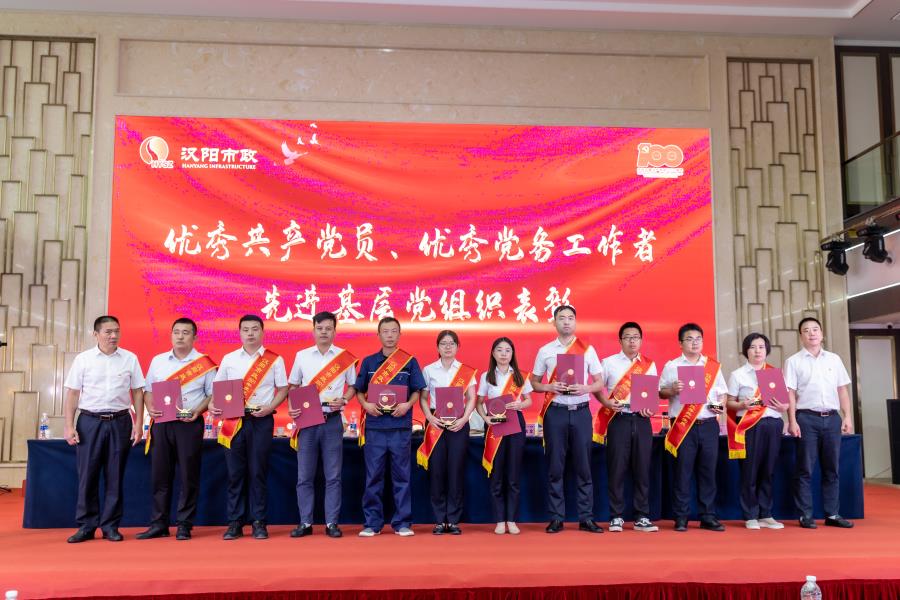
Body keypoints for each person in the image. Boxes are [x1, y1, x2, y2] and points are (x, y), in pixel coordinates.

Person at [63, 315, 145, 543]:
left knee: (115, 476)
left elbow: (137, 392)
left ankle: (110, 526)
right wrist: (69, 425)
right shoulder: (83, 359)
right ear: (96, 334)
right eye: (108, 332)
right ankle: (86, 526)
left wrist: (139, 424)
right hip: (89, 422)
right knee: (87, 475)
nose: (113, 336)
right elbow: (73, 393)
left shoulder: (130, 358)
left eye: (116, 331)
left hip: (120, 421)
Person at [209, 315, 288, 540]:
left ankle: (259, 521)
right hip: (233, 421)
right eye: (246, 329)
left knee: (258, 471)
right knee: (235, 473)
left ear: (263, 332)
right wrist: (213, 405)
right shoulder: (229, 359)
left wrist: (270, 407)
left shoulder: (274, 360)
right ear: (240, 333)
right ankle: (235, 522)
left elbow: (283, 389)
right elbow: (217, 390)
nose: (250, 333)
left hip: (261, 420)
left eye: (255, 329)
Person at [137, 318, 217, 541]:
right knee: (160, 474)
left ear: (195, 337)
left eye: (186, 332)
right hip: (162, 423)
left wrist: (198, 411)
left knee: (188, 475)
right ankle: (158, 523)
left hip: (189, 424)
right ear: (171, 335)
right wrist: (150, 408)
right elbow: (148, 390)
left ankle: (184, 524)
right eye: (176, 332)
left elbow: (212, 394)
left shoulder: (205, 363)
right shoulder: (159, 361)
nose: (180, 336)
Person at [530, 305, 605, 534]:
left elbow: (600, 382)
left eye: (570, 318)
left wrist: (586, 388)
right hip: (556, 412)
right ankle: (556, 518)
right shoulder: (545, 351)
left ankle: (586, 518)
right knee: (555, 466)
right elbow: (534, 383)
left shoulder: (587, 350)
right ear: (554, 322)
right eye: (561, 318)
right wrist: (549, 386)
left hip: (581, 411)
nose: (566, 322)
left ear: (575, 322)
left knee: (584, 466)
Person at [286, 311, 357, 539]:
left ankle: (331, 523)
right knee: (304, 476)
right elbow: (293, 386)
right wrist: (291, 408)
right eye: (320, 328)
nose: (324, 332)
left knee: (333, 476)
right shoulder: (302, 356)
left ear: (335, 331)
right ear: (313, 330)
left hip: (332, 421)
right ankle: (305, 522)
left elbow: (353, 386)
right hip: (307, 421)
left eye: (328, 328)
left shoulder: (344, 357)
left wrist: (344, 399)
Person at [355, 317, 426, 537]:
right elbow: (359, 390)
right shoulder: (368, 362)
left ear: (399, 334)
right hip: (375, 428)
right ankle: (372, 524)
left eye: (394, 331)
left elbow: (417, 390)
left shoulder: (409, 362)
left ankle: (402, 523)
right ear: (378, 335)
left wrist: (407, 405)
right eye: (385, 331)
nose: (389, 335)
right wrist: (366, 405)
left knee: (402, 477)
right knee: (373, 477)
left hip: (400, 427)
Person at [785, 317, 854, 529]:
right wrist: (792, 420)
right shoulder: (793, 361)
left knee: (832, 469)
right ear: (801, 336)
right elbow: (790, 393)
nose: (812, 333)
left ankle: (832, 514)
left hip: (832, 418)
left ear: (822, 334)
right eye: (806, 330)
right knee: (805, 469)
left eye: (815, 329)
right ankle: (805, 515)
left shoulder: (834, 359)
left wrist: (847, 416)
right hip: (806, 419)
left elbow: (842, 390)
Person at [659, 322, 728, 532]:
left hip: (708, 424)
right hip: (682, 426)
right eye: (689, 339)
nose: (694, 343)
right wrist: (672, 390)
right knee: (682, 472)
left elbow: (723, 394)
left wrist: (719, 407)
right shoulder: (672, 366)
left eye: (698, 339)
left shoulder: (712, 367)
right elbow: (660, 392)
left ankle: (708, 516)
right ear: (680, 343)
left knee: (708, 472)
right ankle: (681, 517)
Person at [593, 322, 659, 533]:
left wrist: (650, 408)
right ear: (620, 340)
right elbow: (596, 387)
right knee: (617, 469)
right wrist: (606, 402)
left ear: (641, 340)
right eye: (628, 337)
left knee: (642, 469)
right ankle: (616, 516)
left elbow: (653, 393)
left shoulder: (649, 365)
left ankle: (642, 516)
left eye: (636, 337)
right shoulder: (609, 362)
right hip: (618, 419)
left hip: (642, 420)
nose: (632, 341)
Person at [725, 332, 787, 530]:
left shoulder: (775, 373)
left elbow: (785, 403)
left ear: (766, 350)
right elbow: (729, 403)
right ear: (746, 351)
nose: (757, 351)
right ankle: (750, 514)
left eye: (761, 347)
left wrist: (783, 407)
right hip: (749, 425)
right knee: (750, 470)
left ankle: (766, 514)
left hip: (773, 424)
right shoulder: (738, 375)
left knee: (768, 470)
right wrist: (742, 404)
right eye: (752, 347)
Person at [418, 330, 477, 535]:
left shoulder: (465, 371)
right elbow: (423, 398)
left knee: (455, 470)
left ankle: (452, 520)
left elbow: (471, 398)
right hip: (436, 423)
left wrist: (464, 419)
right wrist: (429, 417)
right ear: (437, 347)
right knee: (436, 471)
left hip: (458, 423)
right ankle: (438, 519)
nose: (448, 347)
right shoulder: (429, 370)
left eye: (452, 343)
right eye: (443, 343)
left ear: (458, 346)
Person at [477, 337, 532, 535]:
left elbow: (529, 400)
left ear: (512, 354)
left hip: (515, 423)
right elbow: (479, 402)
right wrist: (485, 418)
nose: (503, 354)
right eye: (499, 350)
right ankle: (500, 520)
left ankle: (512, 520)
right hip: (495, 425)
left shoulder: (520, 375)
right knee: (497, 474)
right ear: (493, 353)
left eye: (507, 350)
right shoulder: (486, 376)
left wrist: (520, 404)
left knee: (513, 474)